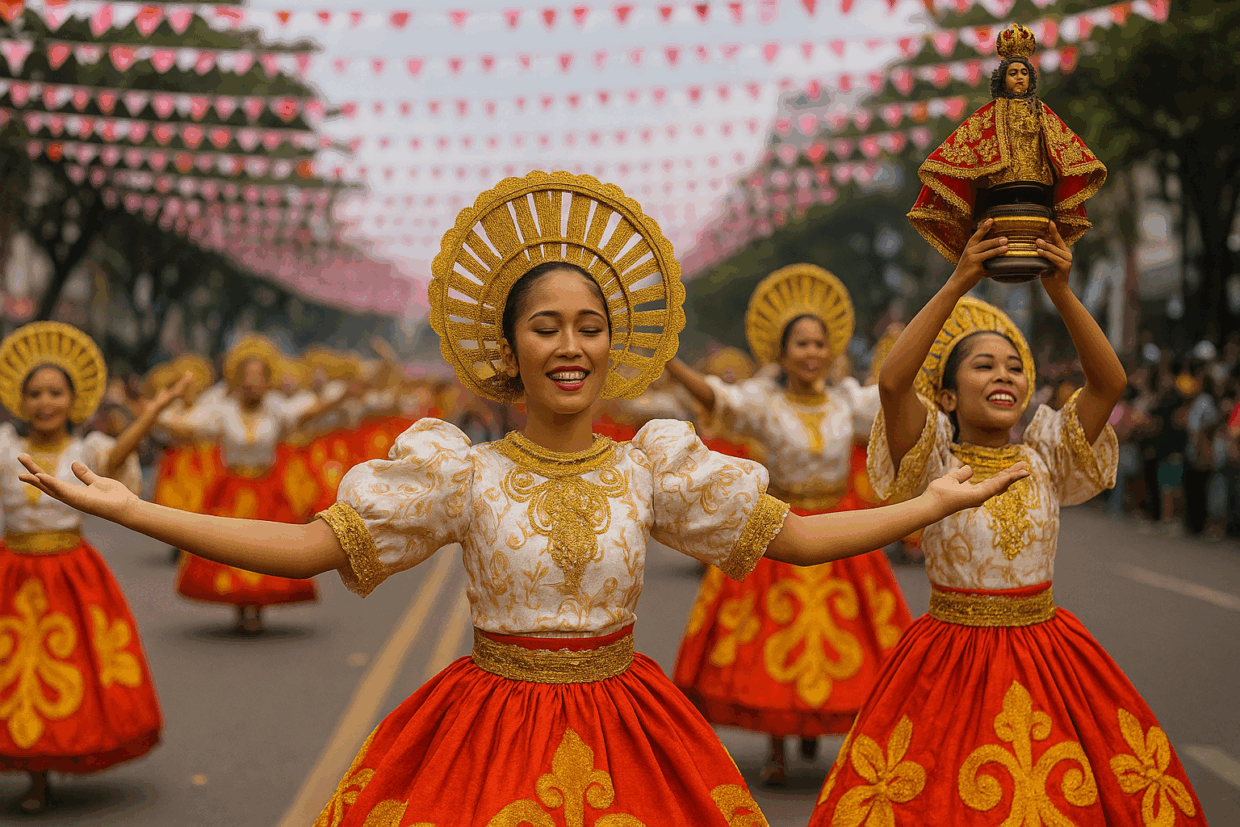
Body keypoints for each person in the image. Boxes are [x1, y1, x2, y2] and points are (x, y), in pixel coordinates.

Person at [18, 172, 1027, 826]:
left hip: (632, 732)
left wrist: (928, 503)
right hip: (485, 734)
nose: (571, 344)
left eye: (590, 324)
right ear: (509, 350)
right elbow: (307, 547)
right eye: (546, 326)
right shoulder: (459, 468)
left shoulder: (652, 462)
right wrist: (131, 508)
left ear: (611, 343)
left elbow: (800, 536)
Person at [810, 221, 1206, 826]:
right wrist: (962, 278)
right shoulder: (932, 457)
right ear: (946, 397)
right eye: (983, 366)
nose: (1004, 375)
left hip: (1046, 651)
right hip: (949, 655)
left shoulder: (1048, 451)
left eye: (1014, 368)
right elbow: (893, 380)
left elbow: (1110, 383)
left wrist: (1063, 292)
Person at [665, 264, 913, 785]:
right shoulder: (764, 401)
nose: (811, 353)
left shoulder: (847, 399)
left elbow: (895, 398)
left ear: (831, 350)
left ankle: (820, 735)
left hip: (843, 531)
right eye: (801, 344)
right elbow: (716, 399)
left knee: (855, 643)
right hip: (777, 530)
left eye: (819, 344)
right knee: (773, 642)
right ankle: (777, 747)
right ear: (781, 353)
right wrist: (671, 363)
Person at [0, 322, 189, 813]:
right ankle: (34, 772)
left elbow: (118, 456)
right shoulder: (3, 447)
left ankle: (52, 757)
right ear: (20, 401)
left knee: (69, 667)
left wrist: (154, 412)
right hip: (11, 573)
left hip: (71, 570)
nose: (45, 402)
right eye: (36, 393)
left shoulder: (84, 452)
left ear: (74, 400)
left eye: (56, 393)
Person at [157, 335, 356, 634]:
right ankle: (240, 604)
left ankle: (258, 605)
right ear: (237, 380)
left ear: (268, 380)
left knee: (268, 549)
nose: (253, 384)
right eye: (247, 378)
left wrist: (341, 398)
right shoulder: (221, 409)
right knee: (231, 548)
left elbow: (306, 414)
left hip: (267, 489)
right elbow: (191, 428)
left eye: (259, 378)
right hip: (231, 490)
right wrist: (153, 414)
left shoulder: (277, 409)